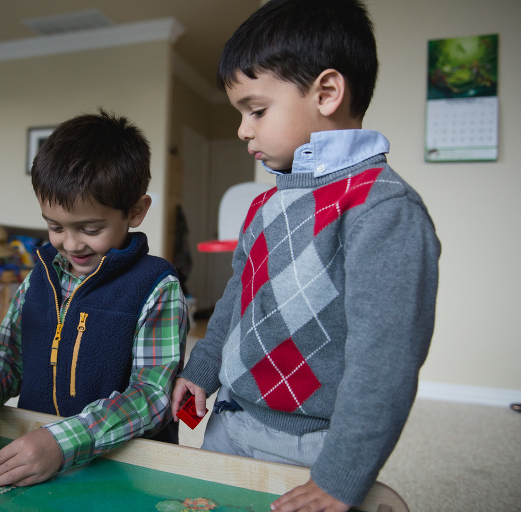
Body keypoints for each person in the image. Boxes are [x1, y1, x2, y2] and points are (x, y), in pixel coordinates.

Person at [170, 1, 440, 511]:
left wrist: (339, 479)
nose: (243, 130)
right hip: (230, 419)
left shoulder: (384, 208)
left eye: (257, 110)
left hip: (312, 447)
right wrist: (203, 368)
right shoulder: (266, 203)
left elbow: (384, 362)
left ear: (328, 92)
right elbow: (236, 297)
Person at [0, 110, 188, 488]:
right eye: (55, 226)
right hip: (35, 454)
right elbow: (8, 353)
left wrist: (66, 442)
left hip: (125, 469)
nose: (70, 243)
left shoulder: (157, 285)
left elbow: (151, 395)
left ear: (135, 211)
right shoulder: (40, 275)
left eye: (90, 228)